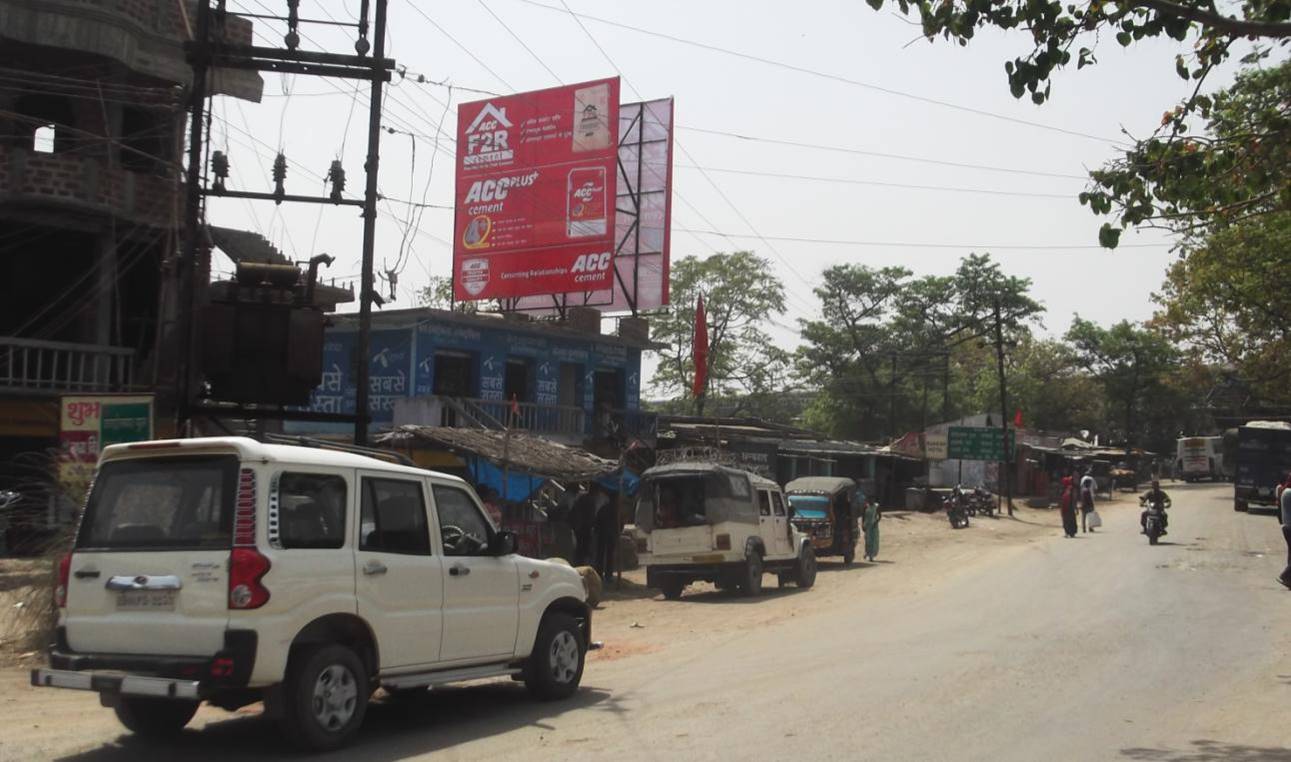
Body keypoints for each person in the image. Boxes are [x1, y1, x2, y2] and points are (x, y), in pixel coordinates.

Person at [594, 484, 620, 583]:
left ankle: (603, 574)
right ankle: (606, 574)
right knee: (607, 555)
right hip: (607, 534)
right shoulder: (613, 509)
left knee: (603, 555)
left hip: (604, 534)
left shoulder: (605, 508)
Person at [569, 484, 596, 566]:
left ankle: (579, 564)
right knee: (585, 547)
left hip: (579, 527)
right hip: (585, 527)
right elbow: (592, 515)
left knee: (580, 547)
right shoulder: (590, 500)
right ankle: (583, 564)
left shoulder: (580, 499)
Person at [1279, 474, 1291, 590]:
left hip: (1286, 526)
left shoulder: (1285, 491)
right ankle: (1285, 576)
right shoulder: (1289, 492)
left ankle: (1289, 581)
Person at [863, 497, 881, 562]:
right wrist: (863, 525)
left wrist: (876, 522)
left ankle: (871, 556)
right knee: (867, 540)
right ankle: (867, 552)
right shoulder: (866, 506)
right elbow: (863, 516)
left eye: (872, 499)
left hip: (874, 526)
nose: (871, 501)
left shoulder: (876, 506)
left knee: (874, 541)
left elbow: (879, 516)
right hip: (867, 526)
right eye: (870, 499)